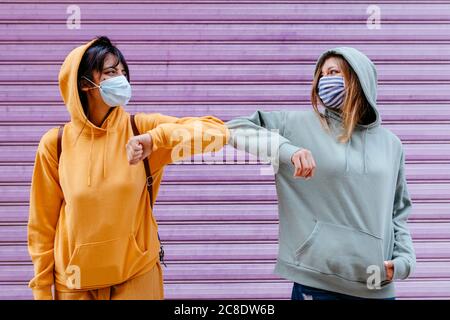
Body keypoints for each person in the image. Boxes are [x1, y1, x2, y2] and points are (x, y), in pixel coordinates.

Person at [27, 36, 229, 300]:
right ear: (84, 84)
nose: (121, 79)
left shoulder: (140, 130)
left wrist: (156, 139)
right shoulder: (56, 145)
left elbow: (217, 133)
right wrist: (42, 290)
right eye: (111, 72)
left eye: (123, 72)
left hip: (137, 279)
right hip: (75, 285)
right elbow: (42, 226)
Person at [227, 47, 416, 300]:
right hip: (317, 282)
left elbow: (398, 212)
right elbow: (234, 129)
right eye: (322, 75)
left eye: (334, 72)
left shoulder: (391, 144)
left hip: (376, 286)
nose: (325, 80)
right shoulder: (296, 125)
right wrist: (286, 150)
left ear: (358, 78)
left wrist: (403, 262)